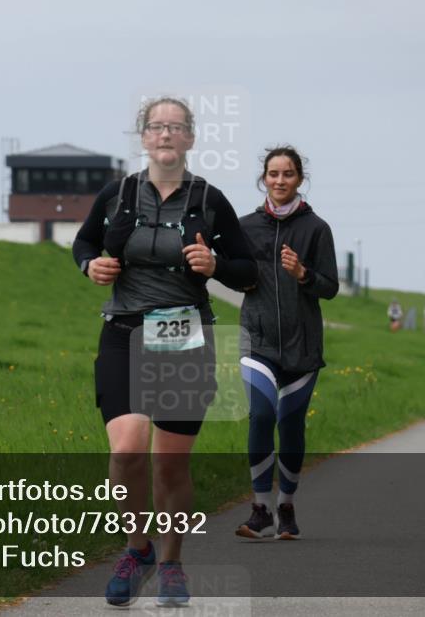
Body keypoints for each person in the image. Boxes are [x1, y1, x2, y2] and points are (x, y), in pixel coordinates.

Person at [72, 97, 256, 607]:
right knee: (127, 449)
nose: (166, 134)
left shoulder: (210, 199)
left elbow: (247, 270)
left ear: (190, 138)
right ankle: (138, 550)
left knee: (169, 465)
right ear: (144, 137)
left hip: (183, 336)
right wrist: (90, 265)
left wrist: (215, 264)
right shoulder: (117, 194)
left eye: (176, 127)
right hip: (124, 331)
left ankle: (172, 563)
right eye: (157, 126)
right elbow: (84, 243)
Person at [233, 145, 338, 541]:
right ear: (264, 178)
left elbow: (330, 287)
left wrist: (302, 274)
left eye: (288, 174)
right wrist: (233, 275)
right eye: (273, 174)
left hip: (301, 346)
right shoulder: (245, 227)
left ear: (299, 179)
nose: (280, 181)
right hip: (258, 340)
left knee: (290, 424)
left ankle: (286, 505)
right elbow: (231, 272)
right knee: (261, 416)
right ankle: (261, 509)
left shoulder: (317, 229)